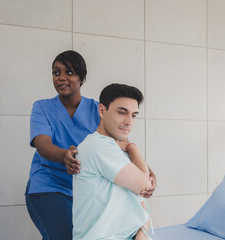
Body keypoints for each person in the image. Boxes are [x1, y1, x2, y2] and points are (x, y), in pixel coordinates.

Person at [25, 50, 156, 240]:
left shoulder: (97, 109)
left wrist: (148, 174)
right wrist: (64, 155)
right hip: (49, 185)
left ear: (82, 78)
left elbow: (122, 144)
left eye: (69, 72)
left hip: (84, 188)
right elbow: (42, 144)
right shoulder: (42, 107)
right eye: (56, 72)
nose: (61, 77)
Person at [73, 83, 153, 240]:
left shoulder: (114, 148)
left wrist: (142, 233)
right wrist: (133, 148)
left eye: (134, 115)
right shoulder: (99, 147)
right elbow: (145, 185)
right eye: (122, 113)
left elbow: (141, 201)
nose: (129, 122)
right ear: (102, 110)